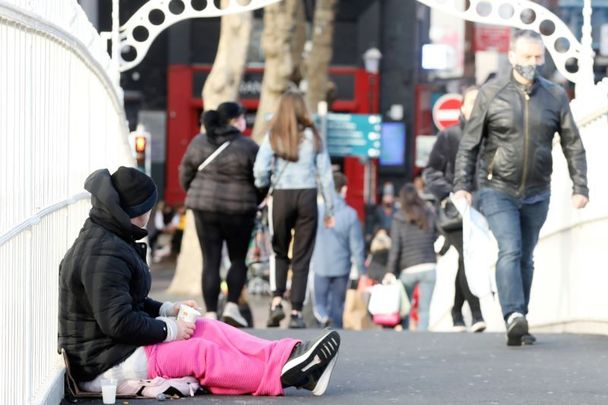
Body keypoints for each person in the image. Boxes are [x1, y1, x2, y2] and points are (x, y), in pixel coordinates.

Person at [58, 167, 341, 397]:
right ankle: (284, 375)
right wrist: (171, 330)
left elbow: (128, 302)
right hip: (105, 364)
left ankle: (287, 356)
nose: (152, 213)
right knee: (199, 352)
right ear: (135, 211)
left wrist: (169, 310)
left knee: (208, 327)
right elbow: (118, 323)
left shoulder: (111, 239)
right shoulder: (104, 253)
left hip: (116, 350)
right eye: (149, 207)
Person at [454, 30, 589, 346]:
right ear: (512, 56)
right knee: (510, 248)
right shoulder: (491, 94)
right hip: (497, 188)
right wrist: (462, 184)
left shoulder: (555, 96)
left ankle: (520, 319)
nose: (533, 63)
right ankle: (513, 314)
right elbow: (470, 144)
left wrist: (580, 186)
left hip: (538, 190)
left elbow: (573, 143)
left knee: (526, 256)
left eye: (538, 56)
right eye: (527, 56)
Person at [253, 89, 335, 329]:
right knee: (302, 255)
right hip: (307, 196)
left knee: (279, 250)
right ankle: (297, 312)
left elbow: (260, 168)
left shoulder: (274, 135)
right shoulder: (314, 136)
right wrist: (330, 208)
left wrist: (264, 186)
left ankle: (277, 301)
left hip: (282, 196)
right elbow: (326, 175)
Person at [179, 102, 260, 327]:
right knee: (237, 259)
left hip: (204, 209)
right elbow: (261, 179)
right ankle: (233, 306)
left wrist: (196, 194)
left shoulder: (199, 142)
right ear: (235, 121)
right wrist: (255, 198)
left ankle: (212, 313)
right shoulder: (248, 146)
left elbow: (185, 172)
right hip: (240, 210)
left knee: (211, 260)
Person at [423, 86, 486, 333]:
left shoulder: (491, 136)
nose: (476, 105)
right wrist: (451, 193)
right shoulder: (450, 136)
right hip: (456, 210)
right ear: (462, 107)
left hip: (482, 208)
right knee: (466, 255)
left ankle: (457, 311)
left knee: (467, 259)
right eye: (471, 101)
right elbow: (431, 171)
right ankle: (477, 312)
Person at [311, 172, 366, 328]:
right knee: (337, 306)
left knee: (320, 304)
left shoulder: (317, 211)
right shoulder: (350, 215)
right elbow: (357, 246)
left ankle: (321, 326)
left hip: (320, 265)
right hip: (341, 268)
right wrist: (362, 271)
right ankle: (335, 336)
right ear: (344, 189)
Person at [386, 183, 438, 331]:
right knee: (425, 309)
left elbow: (395, 247)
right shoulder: (428, 213)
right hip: (429, 266)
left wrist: (390, 270)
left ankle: (407, 336)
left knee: (405, 307)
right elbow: (437, 235)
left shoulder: (398, 217)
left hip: (407, 268)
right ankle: (421, 337)